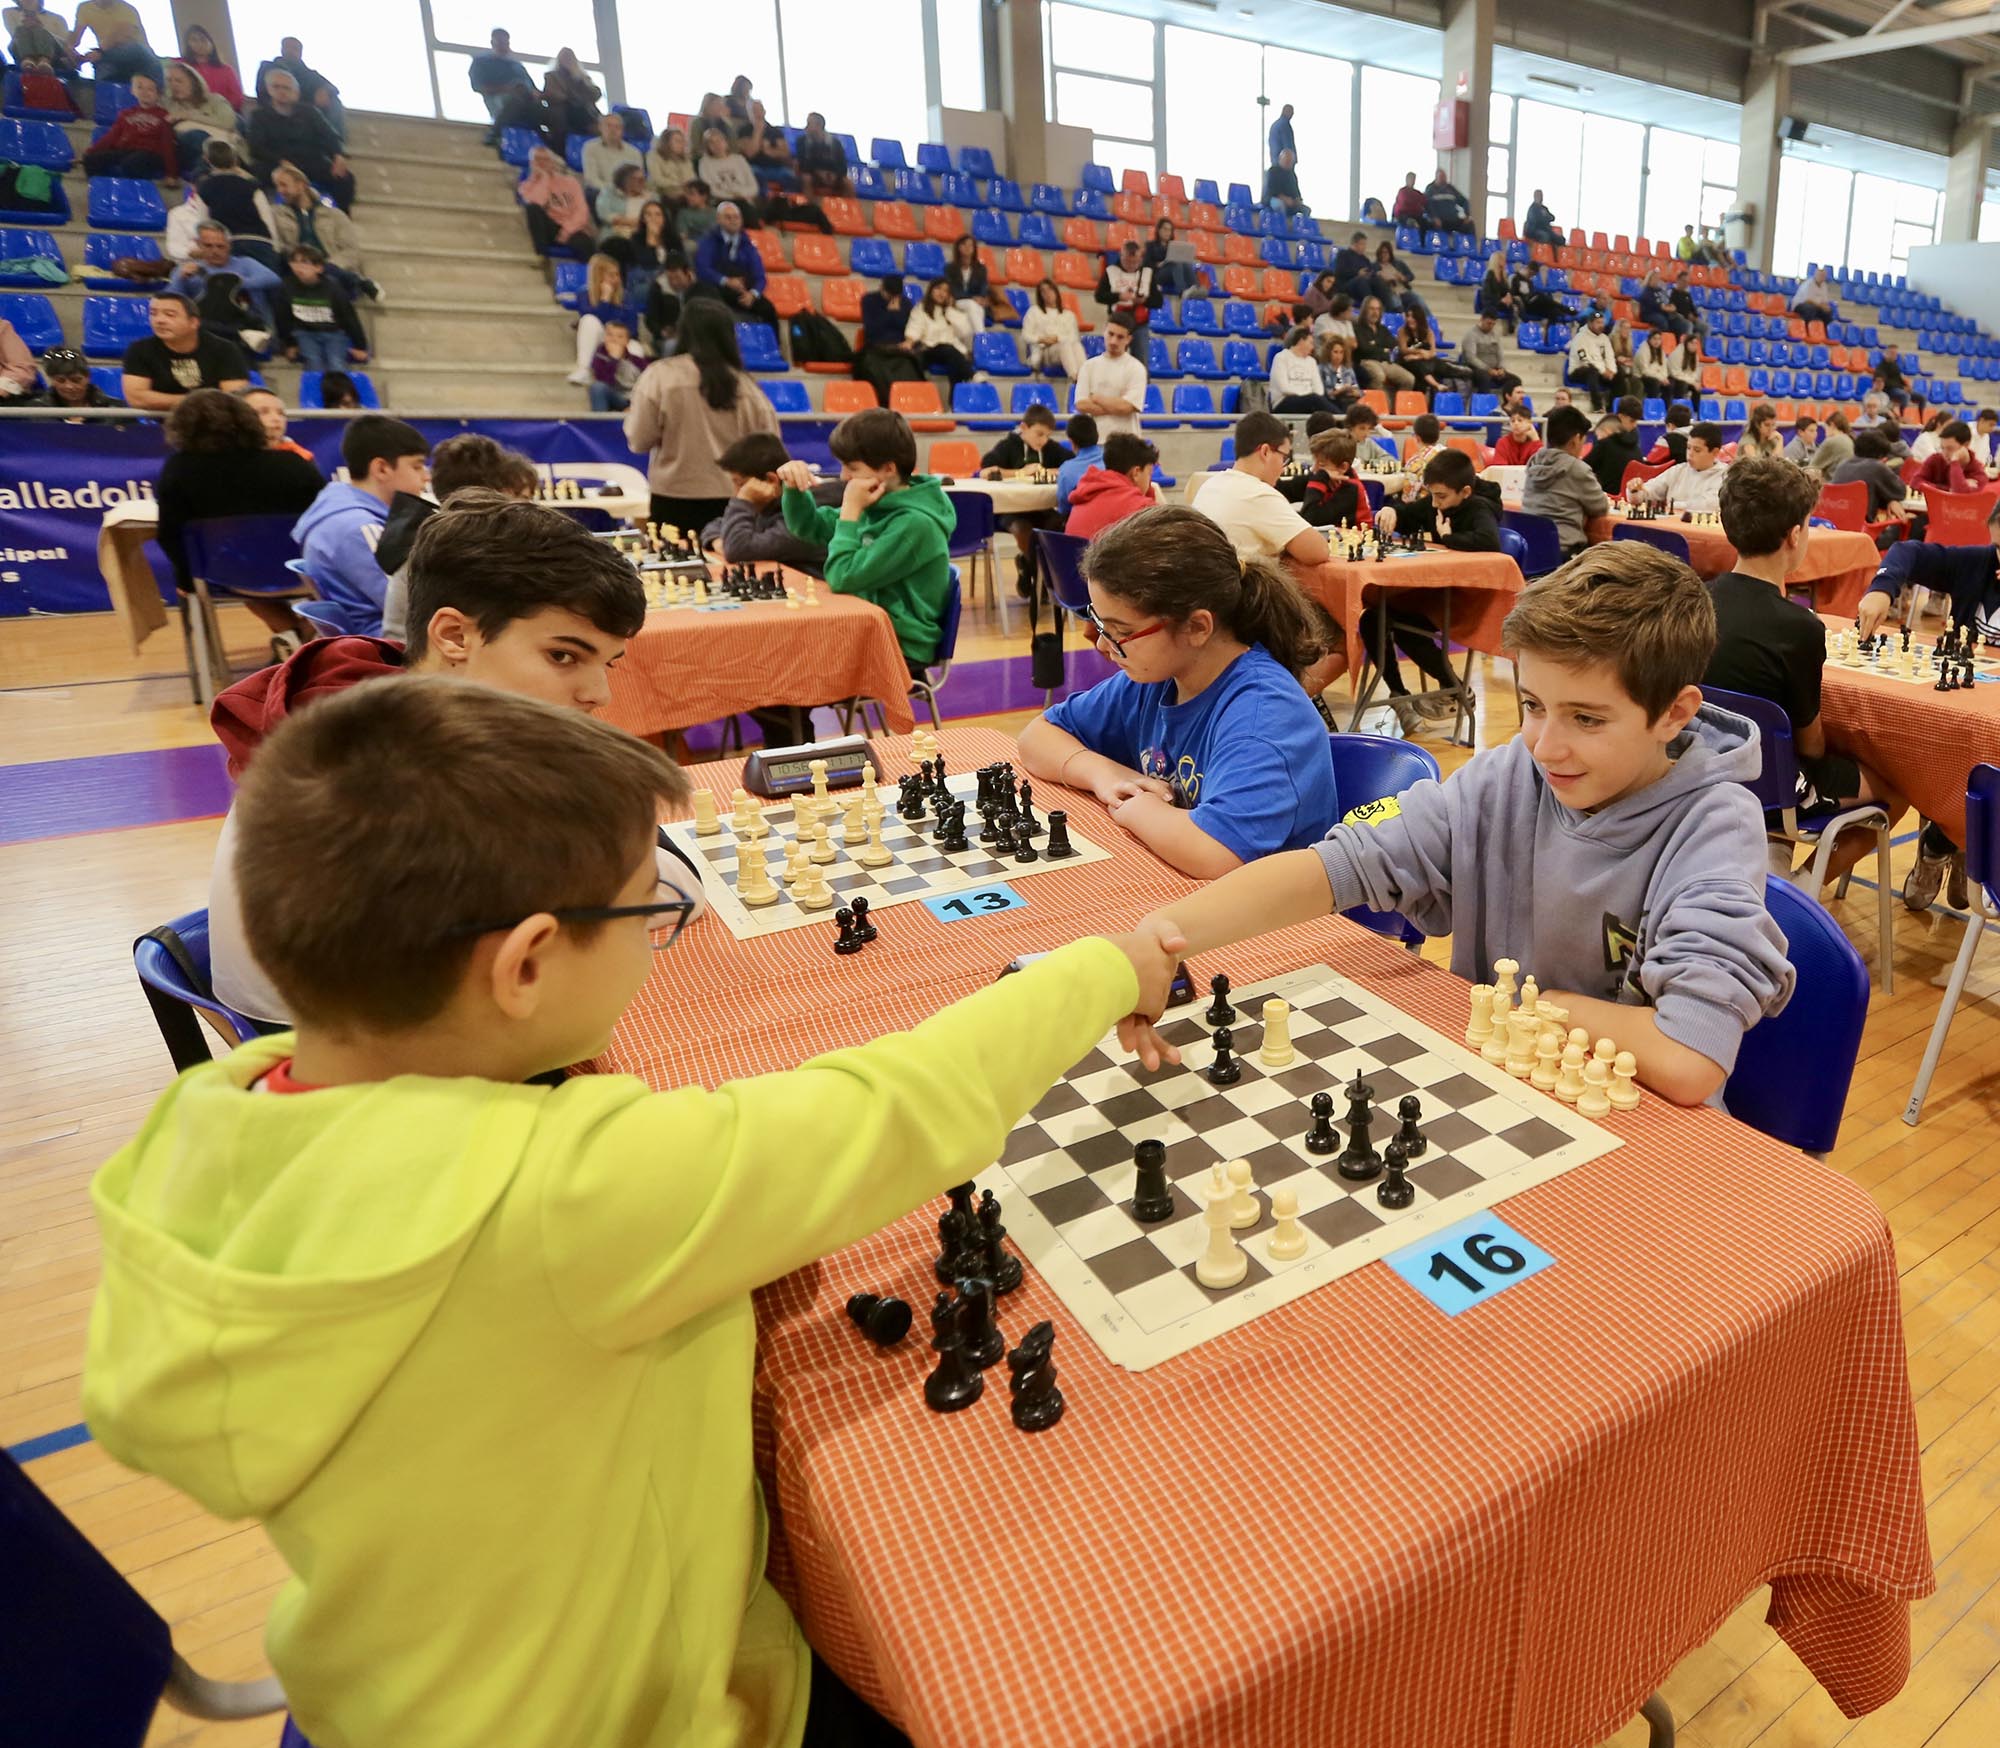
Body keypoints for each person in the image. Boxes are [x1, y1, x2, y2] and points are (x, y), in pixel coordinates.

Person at [94, 631, 1178, 1748]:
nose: (659, 937)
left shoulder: (208, 1121)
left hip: (374, 1698)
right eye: (642, 916)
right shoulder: (565, 1192)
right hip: (643, 1714)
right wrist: (1102, 968)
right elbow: (895, 1111)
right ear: (525, 965)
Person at [1124, 538, 1795, 1103]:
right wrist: (1162, 937)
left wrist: (1524, 1004)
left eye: (1586, 718)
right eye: (1532, 704)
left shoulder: (1714, 825)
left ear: (1675, 713)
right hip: (1497, 1089)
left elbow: (1687, 1058)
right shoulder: (1510, 774)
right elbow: (1335, 868)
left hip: (1631, 1124)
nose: (1545, 745)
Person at [205, 497, 658, 1028]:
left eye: (608, 663)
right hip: (350, 1050)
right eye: (563, 656)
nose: (599, 694)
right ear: (454, 637)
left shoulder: (366, 693)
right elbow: (658, 891)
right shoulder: (403, 772)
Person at [1020, 503, 1337, 876]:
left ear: (1197, 627)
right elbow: (1037, 737)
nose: (1104, 646)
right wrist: (1105, 774)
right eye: (1101, 625)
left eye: (1121, 632)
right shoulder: (1157, 680)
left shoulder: (1263, 716)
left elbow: (1215, 854)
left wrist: (1137, 808)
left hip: (1275, 906)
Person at [1706, 455, 1909, 883]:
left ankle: (1772, 857)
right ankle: (1801, 887)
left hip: (1703, 768)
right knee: (1898, 787)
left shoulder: (1695, 599)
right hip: (1774, 787)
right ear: (1795, 535)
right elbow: (1811, 746)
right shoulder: (1798, 627)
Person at [1854, 505, 2000, 907]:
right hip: (1960, 709)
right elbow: (1908, 551)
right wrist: (1883, 587)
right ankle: (1956, 841)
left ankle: (1941, 841)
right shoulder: (1977, 563)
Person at [775, 408, 953, 671]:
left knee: (787, 667)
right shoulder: (878, 504)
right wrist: (794, 489)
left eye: (852, 468)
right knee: (781, 654)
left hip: (900, 644)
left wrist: (850, 512)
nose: (843, 476)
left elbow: (842, 577)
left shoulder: (915, 525)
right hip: (865, 627)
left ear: (888, 469)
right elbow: (809, 527)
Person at [152, 387, 322, 635]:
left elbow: (169, 534)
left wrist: (186, 579)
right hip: (303, 572)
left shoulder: (178, 469)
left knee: (237, 566)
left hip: (228, 575)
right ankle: (306, 633)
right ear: (250, 423)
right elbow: (328, 523)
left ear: (183, 428)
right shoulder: (294, 464)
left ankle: (290, 633)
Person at [623, 299, 778, 529]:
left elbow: (638, 440)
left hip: (672, 499)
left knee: (674, 554)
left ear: (683, 331)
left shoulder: (659, 377)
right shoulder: (750, 388)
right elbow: (770, 450)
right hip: (735, 502)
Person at [376, 442, 541, 641]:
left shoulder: (437, 541)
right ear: (486, 496)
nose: (528, 510)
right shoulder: (449, 555)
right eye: (521, 498)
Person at [292, 415, 430, 636]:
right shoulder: (359, 528)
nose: (426, 477)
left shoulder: (337, 508)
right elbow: (412, 607)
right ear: (381, 469)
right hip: (388, 642)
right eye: (418, 466)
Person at [1194, 411, 1329, 569]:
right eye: (1284, 458)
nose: (1283, 468)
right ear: (1265, 452)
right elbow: (1318, 551)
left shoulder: (1209, 485)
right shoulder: (1257, 494)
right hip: (1241, 583)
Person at [701, 432, 830, 574]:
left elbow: (737, 549)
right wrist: (720, 542)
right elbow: (715, 525)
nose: (737, 493)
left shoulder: (800, 516)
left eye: (741, 484)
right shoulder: (767, 506)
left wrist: (744, 501)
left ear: (771, 480)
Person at [119, 290, 248, 410]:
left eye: (169, 315)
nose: (159, 320)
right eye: (153, 314)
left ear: (193, 322)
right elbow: (137, 399)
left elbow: (233, 398)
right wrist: (201, 401)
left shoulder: (225, 350)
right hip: (158, 421)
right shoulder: (139, 350)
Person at [247, 70, 353, 211]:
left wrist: (338, 155)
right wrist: (281, 161)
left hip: (310, 162)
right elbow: (256, 147)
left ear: (295, 92)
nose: (281, 91)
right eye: (276, 87)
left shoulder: (310, 112)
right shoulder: (259, 116)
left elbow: (330, 135)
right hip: (275, 164)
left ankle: (339, 216)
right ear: (269, 89)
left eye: (286, 88)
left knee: (345, 178)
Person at [1523, 404, 1610, 559]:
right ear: (1575, 439)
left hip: (1530, 551)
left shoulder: (1534, 462)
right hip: (1564, 551)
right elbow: (1601, 507)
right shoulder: (1577, 469)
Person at [275, 244, 367, 373]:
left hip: (334, 333)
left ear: (318, 268)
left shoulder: (333, 288)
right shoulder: (286, 286)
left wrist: (360, 346)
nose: (299, 267)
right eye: (295, 262)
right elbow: (282, 319)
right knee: (313, 362)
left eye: (304, 263)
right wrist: (290, 344)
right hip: (305, 333)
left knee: (336, 362)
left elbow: (349, 317)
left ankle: (338, 386)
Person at [693, 201, 777, 331]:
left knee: (768, 309)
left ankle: (774, 343)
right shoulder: (708, 241)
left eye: (736, 217)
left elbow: (760, 276)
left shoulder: (747, 244)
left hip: (743, 292)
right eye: (728, 217)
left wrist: (753, 294)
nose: (733, 220)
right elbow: (702, 269)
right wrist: (726, 281)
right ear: (719, 219)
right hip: (717, 289)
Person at [1063, 433, 1159, 540]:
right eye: (1149, 473)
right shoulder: (1139, 507)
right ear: (1136, 472)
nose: (1149, 480)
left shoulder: (1087, 491)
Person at [81, 69, 174, 179]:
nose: (144, 92)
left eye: (150, 89)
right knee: (92, 159)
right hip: (126, 151)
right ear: (133, 91)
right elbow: (111, 137)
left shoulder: (164, 116)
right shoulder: (126, 114)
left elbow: (167, 144)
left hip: (149, 153)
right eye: (140, 87)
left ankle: (137, 188)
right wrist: (89, 152)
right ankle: (102, 186)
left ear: (158, 94)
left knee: (132, 163)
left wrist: (171, 174)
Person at [899, 275, 973, 403]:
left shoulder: (952, 311)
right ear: (931, 290)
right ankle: (971, 375)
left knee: (955, 360)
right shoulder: (921, 309)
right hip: (929, 349)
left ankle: (954, 403)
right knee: (947, 349)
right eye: (938, 289)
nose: (941, 293)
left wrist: (949, 309)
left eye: (946, 291)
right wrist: (910, 341)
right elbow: (915, 327)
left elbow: (965, 332)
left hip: (951, 352)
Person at [1629, 422, 1727, 517]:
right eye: (1688, 448)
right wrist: (1635, 490)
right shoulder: (1678, 470)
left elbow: (1708, 505)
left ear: (1715, 452)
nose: (1690, 454)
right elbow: (1650, 491)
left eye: (1697, 450)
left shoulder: (1725, 476)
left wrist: (1673, 505)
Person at [1075, 315, 1148, 439]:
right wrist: (1116, 405)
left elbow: (1127, 407)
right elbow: (1081, 404)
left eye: (1120, 337)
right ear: (1104, 332)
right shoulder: (1088, 366)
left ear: (1128, 339)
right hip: (1094, 439)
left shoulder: (1136, 368)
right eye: (1111, 334)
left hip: (1125, 440)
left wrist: (1097, 398)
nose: (1113, 341)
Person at [162, 61, 238, 177]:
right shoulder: (167, 105)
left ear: (194, 82)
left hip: (223, 147)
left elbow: (228, 122)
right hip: (186, 152)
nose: (173, 85)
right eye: (169, 81)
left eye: (179, 81)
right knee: (195, 136)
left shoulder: (215, 100)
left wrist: (190, 116)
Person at [519, 145, 594, 262]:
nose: (542, 163)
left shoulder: (571, 182)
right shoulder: (526, 186)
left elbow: (582, 211)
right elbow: (538, 203)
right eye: (538, 159)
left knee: (584, 243)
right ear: (531, 163)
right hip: (549, 227)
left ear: (552, 162)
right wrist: (544, 178)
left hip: (571, 226)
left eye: (546, 160)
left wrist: (567, 230)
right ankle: (541, 257)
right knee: (532, 208)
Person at [467, 26, 534, 139]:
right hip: (499, 99)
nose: (504, 46)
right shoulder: (481, 62)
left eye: (506, 43)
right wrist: (507, 88)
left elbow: (532, 87)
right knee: (514, 102)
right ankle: (496, 132)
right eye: (500, 42)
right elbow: (478, 86)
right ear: (492, 43)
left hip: (526, 100)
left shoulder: (516, 65)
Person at [68, 0, 158, 84]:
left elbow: (122, 34)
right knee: (102, 62)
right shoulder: (85, 8)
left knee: (112, 55)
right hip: (110, 55)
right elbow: (75, 37)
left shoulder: (126, 9)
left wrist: (99, 52)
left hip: (142, 58)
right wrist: (70, 52)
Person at [1298, 427, 1373, 528]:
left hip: (1356, 537)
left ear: (1343, 467)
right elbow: (1284, 489)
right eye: (1314, 462)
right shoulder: (1324, 478)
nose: (1314, 469)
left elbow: (1311, 518)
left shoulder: (1350, 489)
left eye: (1322, 464)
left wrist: (1320, 477)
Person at [1830, 428, 1910, 522]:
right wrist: (1891, 500)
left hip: (1834, 525)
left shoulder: (1842, 465)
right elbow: (1900, 492)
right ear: (1881, 454)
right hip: (1863, 527)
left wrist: (1889, 500)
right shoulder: (1876, 466)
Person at [980, 402, 1072, 476]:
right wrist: (1021, 472)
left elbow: (1074, 465)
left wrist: (1047, 471)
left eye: (1048, 436)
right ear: (1024, 427)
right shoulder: (1007, 446)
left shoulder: (1051, 447)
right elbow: (986, 471)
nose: (1044, 440)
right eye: (1039, 434)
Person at [1023, 278, 1085, 379]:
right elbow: (1026, 335)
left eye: (1050, 289)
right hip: (1044, 351)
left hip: (1065, 347)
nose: (1047, 294)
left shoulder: (1068, 315)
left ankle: (1084, 377)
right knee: (1064, 344)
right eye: (1043, 291)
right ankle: (1075, 377)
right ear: (1040, 295)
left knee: (1076, 345)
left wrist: (1057, 338)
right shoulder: (1034, 312)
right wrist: (1041, 339)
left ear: (1056, 291)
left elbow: (1074, 337)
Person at [1349, 296, 1412, 396]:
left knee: (1409, 379)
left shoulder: (1382, 329)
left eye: (1378, 309)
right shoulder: (1357, 328)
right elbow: (1365, 349)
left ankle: (1398, 404)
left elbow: (1393, 344)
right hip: (1366, 361)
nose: (1375, 312)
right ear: (1365, 310)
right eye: (1372, 309)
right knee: (1379, 376)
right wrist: (1383, 350)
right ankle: (1375, 402)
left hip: (1384, 362)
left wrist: (1377, 348)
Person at [236, 383, 314, 462]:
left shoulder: (300, 458)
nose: (276, 419)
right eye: (263, 412)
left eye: (281, 413)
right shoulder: (229, 458)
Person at [1267, 325, 1335, 414]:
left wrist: (1308, 396)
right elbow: (1284, 389)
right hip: (1284, 401)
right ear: (1301, 341)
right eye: (1310, 343)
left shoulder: (1311, 361)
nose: (1312, 347)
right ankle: (1341, 418)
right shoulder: (1281, 358)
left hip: (1309, 401)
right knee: (1314, 400)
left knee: (1325, 400)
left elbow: (1319, 390)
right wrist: (1307, 395)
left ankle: (1341, 417)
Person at [25, 344, 118, 409]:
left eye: (76, 380)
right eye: (61, 380)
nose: (69, 386)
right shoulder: (35, 411)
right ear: (52, 380)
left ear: (88, 377)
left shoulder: (116, 410)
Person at [1585, 397, 1643, 495]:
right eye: (1632, 421)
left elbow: (1584, 468)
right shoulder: (1636, 447)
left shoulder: (1605, 443)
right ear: (1621, 417)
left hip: (1606, 497)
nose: (1635, 425)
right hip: (1629, 498)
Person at [586, 315, 645, 413]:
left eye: (620, 337)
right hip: (614, 397)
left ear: (627, 341)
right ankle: (601, 421)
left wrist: (634, 406)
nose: (614, 339)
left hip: (633, 401)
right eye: (609, 335)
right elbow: (604, 381)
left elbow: (648, 388)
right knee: (597, 387)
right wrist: (614, 360)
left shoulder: (637, 361)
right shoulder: (599, 358)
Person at [542, 48, 602, 143]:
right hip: (565, 108)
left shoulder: (582, 77)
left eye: (570, 58)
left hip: (584, 109)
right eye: (565, 58)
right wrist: (568, 98)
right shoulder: (552, 76)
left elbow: (596, 93)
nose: (567, 60)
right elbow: (550, 94)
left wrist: (582, 82)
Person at [1096, 241, 1159, 330]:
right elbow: (1099, 296)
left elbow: (1158, 301)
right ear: (1121, 256)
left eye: (1135, 262)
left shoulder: (1147, 273)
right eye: (1127, 261)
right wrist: (1119, 296)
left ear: (1141, 259)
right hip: (1117, 320)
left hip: (1140, 322)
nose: (1131, 265)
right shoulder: (1111, 271)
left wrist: (1144, 301)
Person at [1914, 419, 1989, 493]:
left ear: (1966, 445)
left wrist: (1955, 462)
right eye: (1942, 448)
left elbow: (1959, 493)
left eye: (1950, 448)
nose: (1945, 454)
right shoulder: (1935, 459)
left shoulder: (1978, 472)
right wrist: (1948, 489)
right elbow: (1915, 482)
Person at [1459, 312, 1519, 399]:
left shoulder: (1495, 335)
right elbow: (1471, 358)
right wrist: (1488, 369)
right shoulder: (1471, 335)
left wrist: (1502, 368)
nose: (1491, 326)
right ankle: (1483, 403)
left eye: (1493, 324)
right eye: (1489, 323)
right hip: (1475, 369)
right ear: (1481, 320)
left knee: (1515, 380)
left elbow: (1500, 354)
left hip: (1494, 369)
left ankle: (1509, 403)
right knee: (1485, 377)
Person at [1055, 413, 1103, 518]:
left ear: (1071, 442)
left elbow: (1063, 507)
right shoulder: (1112, 460)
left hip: (1080, 520)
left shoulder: (1066, 469)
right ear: (1097, 435)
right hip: (1114, 520)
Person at [1567, 313, 1618, 412]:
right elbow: (1585, 360)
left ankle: (1613, 407)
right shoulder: (1580, 338)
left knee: (1619, 374)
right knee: (1592, 371)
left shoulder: (1604, 338)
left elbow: (1610, 357)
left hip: (1600, 371)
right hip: (1579, 370)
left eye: (1602, 323)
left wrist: (1612, 371)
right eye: (1598, 323)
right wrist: (1603, 371)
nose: (1601, 325)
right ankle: (1598, 406)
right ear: (1590, 323)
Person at [696, 125, 759, 205]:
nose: (717, 145)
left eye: (719, 140)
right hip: (721, 201)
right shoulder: (704, 163)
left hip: (744, 198)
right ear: (707, 146)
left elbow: (754, 186)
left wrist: (742, 194)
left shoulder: (739, 159)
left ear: (726, 142)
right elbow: (710, 189)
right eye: (712, 142)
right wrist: (732, 197)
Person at [582, 110, 641, 194]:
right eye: (608, 126)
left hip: (628, 193)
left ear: (622, 130)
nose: (613, 130)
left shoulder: (634, 152)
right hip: (601, 192)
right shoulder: (590, 148)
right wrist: (614, 192)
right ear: (600, 127)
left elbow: (637, 179)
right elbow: (591, 179)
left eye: (617, 127)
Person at [945, 234, 993, 333]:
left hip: (976, 304)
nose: (967, 248)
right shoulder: (950, 268)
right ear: (958, 247)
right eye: (964, 244)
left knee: (976, 309)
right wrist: (972, 298)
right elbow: (953, 290)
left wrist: (981, 298)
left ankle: (977, 339)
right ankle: (981, 336)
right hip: (957, 301)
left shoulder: (981, 269)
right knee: (972, 305)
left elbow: (983, 288)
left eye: (970, 245)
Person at [794, 111, 849, 196]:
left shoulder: (835, 143)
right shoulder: (801, 141)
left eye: (809, 124)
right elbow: (802, 163)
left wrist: (835, 175)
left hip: (832, 175)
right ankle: (811, 204)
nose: (806, 127)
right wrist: (818, 172)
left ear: (818, 125)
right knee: (806, 179)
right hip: (812, 174)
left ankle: (847, 205)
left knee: (848, 183)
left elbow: (842, 164)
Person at [596, 163, 648, 243]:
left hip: (643, 233)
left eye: (642, 179)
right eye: (635, 179)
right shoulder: (609, 192)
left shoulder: (651, 196)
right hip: (615, 232)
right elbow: (604, 214)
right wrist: (629, 222)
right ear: (623, 180)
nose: (641, 182)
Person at [1143, 216, 1192, 298]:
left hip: (1172, 274)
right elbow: (1145, 264)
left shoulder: (1173, 246)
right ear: (1159, 230)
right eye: (1165, 229)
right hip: (1157, 274)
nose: (1168, 232)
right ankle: (1182, 291)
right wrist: (1158, 264)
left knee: (1185, 263)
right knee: (1175, 264)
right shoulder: (1150, 245)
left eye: (1170, 230)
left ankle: (1194, 288)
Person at [648, 127, 697, 207]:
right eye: (677, 141)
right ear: (666, 142)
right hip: (662, 194)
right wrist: (678, 184)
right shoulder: (654, 156)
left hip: (684, 194)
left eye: (682, 141)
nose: (681, 144)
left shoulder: (685, 159)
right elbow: (658, 180)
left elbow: (691, 178)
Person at [1423, 170, 1474, 235]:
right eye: (1441, 177)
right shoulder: (1430, 189)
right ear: (1436, 177)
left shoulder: (1450, 188)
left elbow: (1464, 201)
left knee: (1469, 224)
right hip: (1439, 220)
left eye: (1444, 177)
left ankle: (1469, 241)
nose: (1443, 179)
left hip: (1453, 218)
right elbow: (1428, 205)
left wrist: (1467, 215)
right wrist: (1434, 217)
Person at [1315, 335, 1360, 408]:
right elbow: (1325, 394)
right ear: (1328, 352)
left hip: (1348, 400)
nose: (1338, 356)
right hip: (1330, 402)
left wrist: (1355, 392)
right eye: (1335, 352)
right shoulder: (1321, 369)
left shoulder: (1348, 369)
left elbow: (1357, 389)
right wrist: (1341, 390)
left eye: (1341, 352)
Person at [1345, 401, 1394, 467]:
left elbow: (1390, 459)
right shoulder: (1341, 443)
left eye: (1369, 428)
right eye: (1362, 428)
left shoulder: (1370, 443)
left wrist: (1369, 463)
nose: (1366, 433)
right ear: (1351, 426)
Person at [673, 180, 718, 247]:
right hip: (695, 246)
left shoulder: (715, 212)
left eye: (692, 194)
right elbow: (683, 236)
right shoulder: (683, 213)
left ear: (704, 196)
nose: (688, 197)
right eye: (687, 194)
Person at [1477, 252, 1515, 329]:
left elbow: (1506, 290)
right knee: (1492, 308)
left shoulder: (1502, 275)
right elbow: (1487, 294)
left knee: (1515, 304)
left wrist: (1508, 295)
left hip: (1499, 302)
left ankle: (1512, 326)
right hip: (1490, 301)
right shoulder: (1489, 275)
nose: (1504, 262)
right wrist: (1500, 300)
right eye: (1502, 259)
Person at [1264, 148, 1303, 216]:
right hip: (1272, 199)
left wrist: (1297, 200)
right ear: (1280, 159)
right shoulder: (1273, 171)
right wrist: (1285, 199)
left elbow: (1296, 192)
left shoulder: (1292, 175)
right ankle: (1282, 222)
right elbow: (1272, 191)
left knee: (1306, 209)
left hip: (1290, 202)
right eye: (1287, 161)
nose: (1289, 163)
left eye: (1290, 161)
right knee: (1279, 204)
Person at [1636, 331, 1673, 399]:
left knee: (1669, 385)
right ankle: (1652, 403)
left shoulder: (1661, 351)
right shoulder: (1643, 351)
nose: (1657, 341)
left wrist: (1664, 378)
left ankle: (1666, 405)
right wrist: (1660, 378)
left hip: (1657, 377)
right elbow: (1645, 371)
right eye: (1654, 339)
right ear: (1649, 339)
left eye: (1659, 339)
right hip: (1641, 376)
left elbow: (1664, 368)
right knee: (1654, 383)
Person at [1268, 102, 1296, 168]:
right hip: (1284, 163)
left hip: (1275, 161)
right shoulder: (1284, 125)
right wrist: (1292, 160)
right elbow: (1288, 145)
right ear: (1286, 111)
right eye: (1291, 112)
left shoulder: (1275, 125)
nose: (1293, 114)